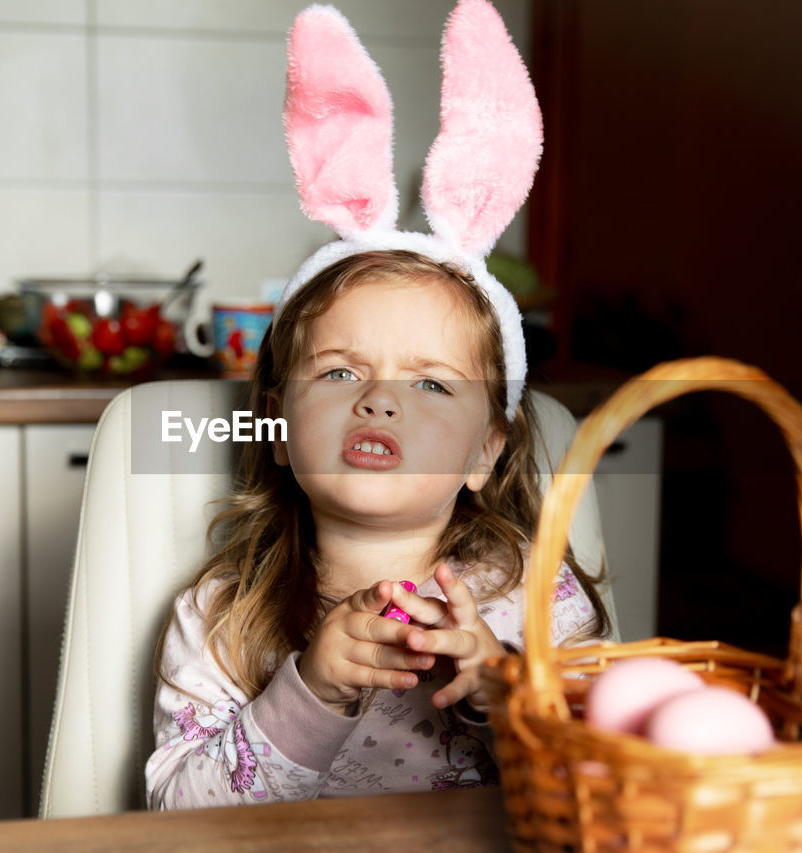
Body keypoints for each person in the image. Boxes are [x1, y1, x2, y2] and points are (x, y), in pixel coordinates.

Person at [145, 0, 612, 808]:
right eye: (338, 373)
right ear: (278, 429)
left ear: (485, 453)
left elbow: (613, 780)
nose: (380, 402)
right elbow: (176, 813)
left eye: (430, 382)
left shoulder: (540, 597)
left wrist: (506, 695)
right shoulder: (224, 614)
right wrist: (311, 691)